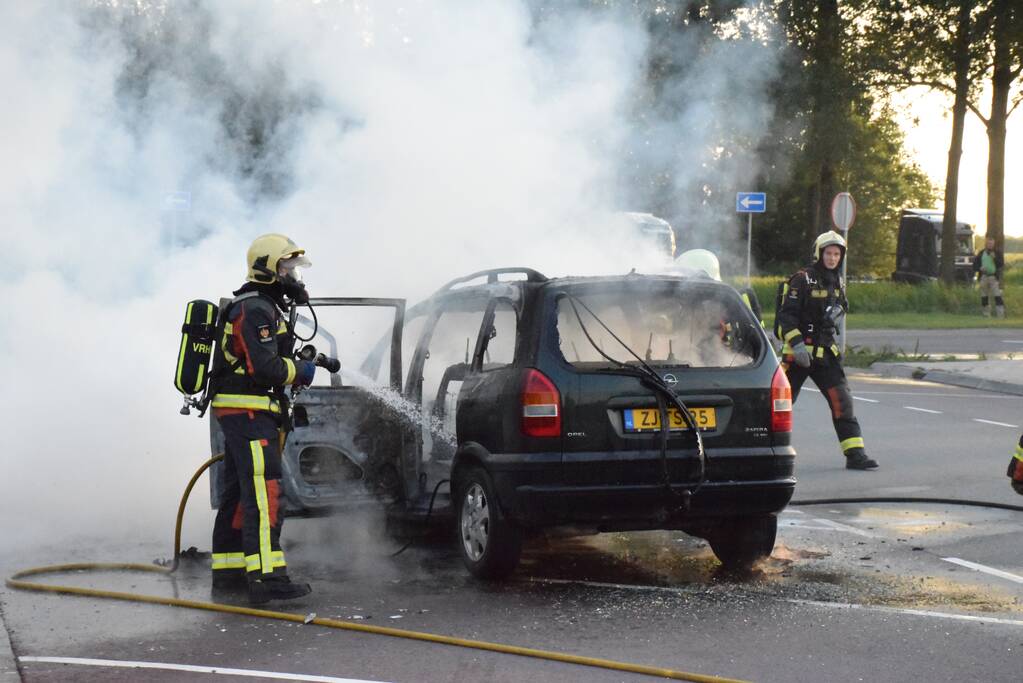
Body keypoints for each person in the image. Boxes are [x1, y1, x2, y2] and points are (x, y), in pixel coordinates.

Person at [208, 233, 318, 604]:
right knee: (264, 491)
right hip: (249, 412)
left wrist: (308, 360)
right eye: (287, 267)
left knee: (240, 493)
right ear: (267, 268)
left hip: (245, 412)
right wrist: (301, 370)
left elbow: (268, 356)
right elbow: (268, 368)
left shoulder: (263, 307)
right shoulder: (255, 309)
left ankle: (230, 573)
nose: (293, 276)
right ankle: (267, 576)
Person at [776, 231, 878, 471]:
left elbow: (841, 305)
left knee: (842, 402)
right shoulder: (802, 279)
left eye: (836, 254)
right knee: (779, 405)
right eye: (828, 253)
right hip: (798, 357)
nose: (832, 258)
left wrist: (838, 312)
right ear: (819, 253)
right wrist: (798, 345)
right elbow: (785, 318)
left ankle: (855, 455)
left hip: (825, 355)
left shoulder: (837, 280)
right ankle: (765, 452)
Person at [973, 237, 1005, 318]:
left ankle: (1000, 315)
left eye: (991, 244)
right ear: (986, 244)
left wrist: (994, 257)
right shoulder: (981, 253)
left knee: (997, 295)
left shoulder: (997, 253)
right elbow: (974, 265)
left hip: (993, 277)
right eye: (988, 243)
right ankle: (986, 314)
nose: (990, 245)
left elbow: (1001, 264)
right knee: (984, 296)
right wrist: (979, 268)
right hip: (984, 277)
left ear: (993, 244)